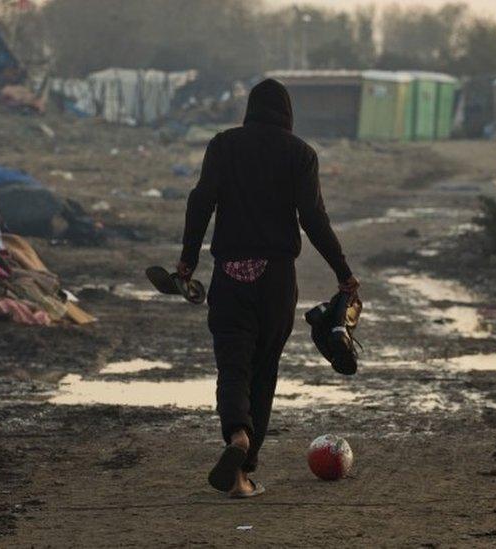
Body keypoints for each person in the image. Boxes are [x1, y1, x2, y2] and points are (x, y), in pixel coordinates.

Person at [177, 79, 359, 498]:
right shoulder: (300, 154)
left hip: (229, 273)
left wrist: (187, 259)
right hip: (277, 280)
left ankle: (237, 437)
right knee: (263, 371)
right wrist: (343, 272)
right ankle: (245, 469)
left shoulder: (223, 145)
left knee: (233, 364)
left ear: (250, 109)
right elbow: (313, 218)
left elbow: (200, 201)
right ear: (288, 114)